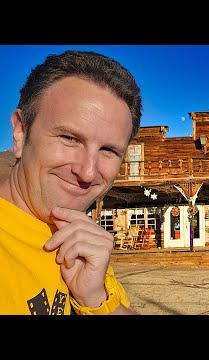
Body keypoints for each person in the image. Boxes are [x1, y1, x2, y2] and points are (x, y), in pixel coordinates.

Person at [0, 50, 142, 315]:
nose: (88, 172)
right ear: (20, 132)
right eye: (69, 138)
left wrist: (96, 299)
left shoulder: (81, 237)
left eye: (108, 150)